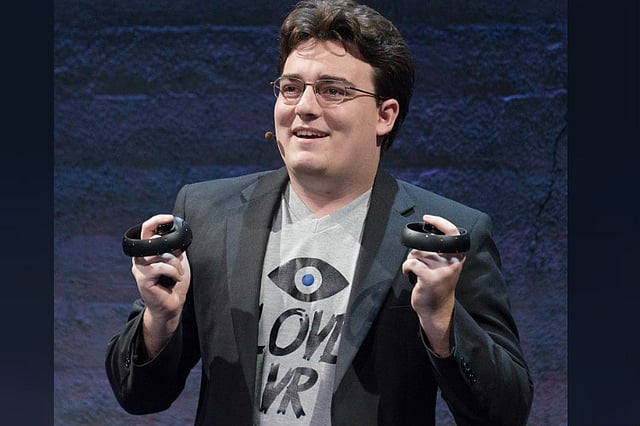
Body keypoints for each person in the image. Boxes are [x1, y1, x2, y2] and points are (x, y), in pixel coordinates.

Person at [105, 0, 534, 424]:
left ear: (385, 115)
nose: (304, 107)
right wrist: (159, 321)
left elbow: (505, 412)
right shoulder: (208, 213)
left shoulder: (445, 236)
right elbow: (138, 395)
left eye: (333, 91)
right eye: (291, 88)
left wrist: (442, 320)